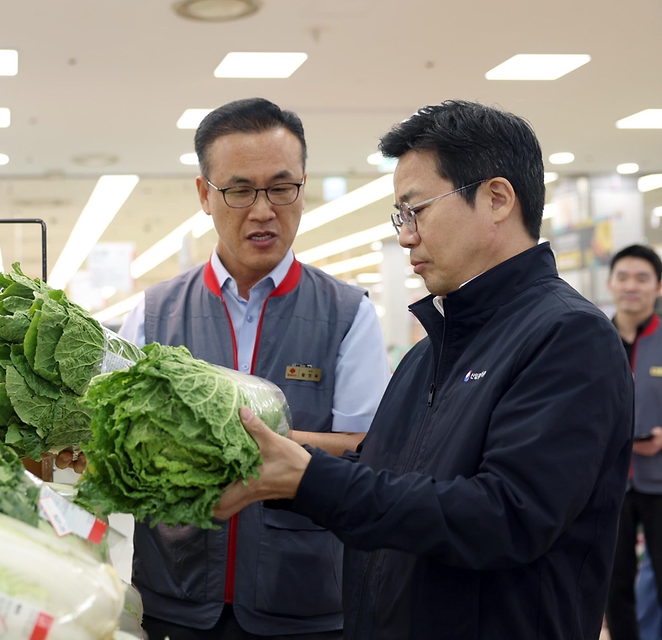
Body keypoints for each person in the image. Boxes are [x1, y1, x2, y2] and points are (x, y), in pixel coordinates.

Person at [216, 100, 634, 639]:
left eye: (417, 210)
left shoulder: (569, 337)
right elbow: (385, 472)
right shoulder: (430, 351)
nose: (405, 235)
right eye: (400, 216)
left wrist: (309, 478)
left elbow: (505, 515)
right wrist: (280, 454)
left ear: (497, 198)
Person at [118, 97, 391, 638]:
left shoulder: (347, 313)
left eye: (281, 187)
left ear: (303, 188)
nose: (263, 210)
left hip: (306, 600)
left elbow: (371, 446)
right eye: (240, 190)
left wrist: (252, 444)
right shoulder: (153, 314)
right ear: (205, 195)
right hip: (174, 595)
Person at [605, 244, 662, 640]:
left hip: (660, 483)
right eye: (623, 276)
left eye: (642, 278)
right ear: (610, 283)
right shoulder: (592, 337)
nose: (631, 286)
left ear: (658, 286)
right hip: (610, 485)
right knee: (613, 586)